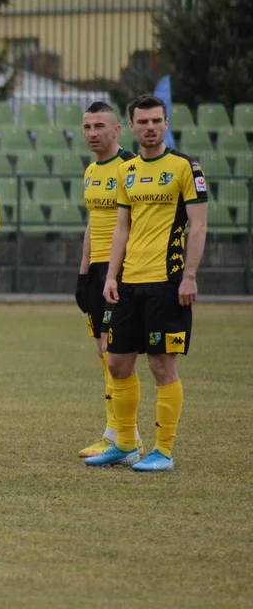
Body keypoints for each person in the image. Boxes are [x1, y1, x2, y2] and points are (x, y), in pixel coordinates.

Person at [86, 94, 208, 472]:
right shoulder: (127, 171)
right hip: (129, 282)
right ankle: (124, 443)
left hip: (167, 282)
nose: (150, 127)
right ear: (133, 126)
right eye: (143, 121)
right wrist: (111, 275)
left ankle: (164, 451)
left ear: (166, 123)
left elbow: (199, 225)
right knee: (118, 364)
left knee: (161, 366)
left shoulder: (186, 167)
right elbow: (122, 227)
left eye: (157, 120)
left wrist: (188, 276)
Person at [75, 102, 139, 458]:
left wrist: (117, 272)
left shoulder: (129, 167)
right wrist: (84, 270)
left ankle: (127, 437)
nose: (92, 133)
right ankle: (114, 432)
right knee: (104, 353)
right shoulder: (90, 171)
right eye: (87, 127)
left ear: (117, 130)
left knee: (116, 353)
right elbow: (93, 222)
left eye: (100, 126)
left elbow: (131, 224)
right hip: (97, 270)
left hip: (122, 270)